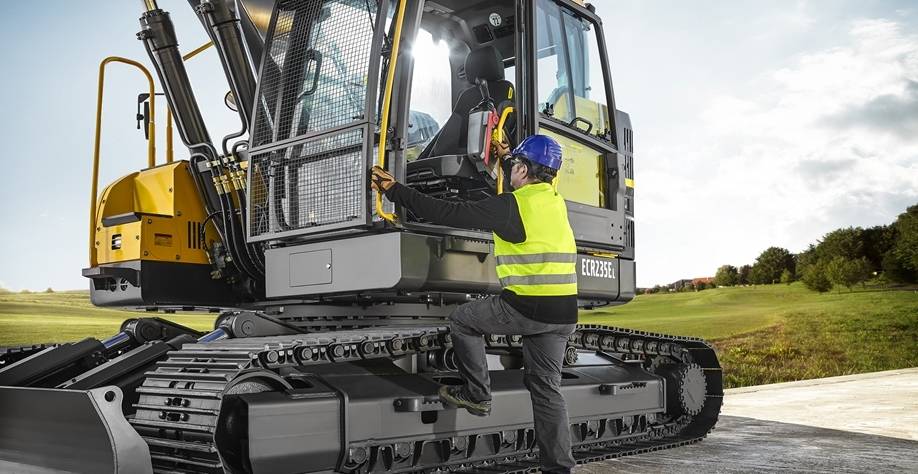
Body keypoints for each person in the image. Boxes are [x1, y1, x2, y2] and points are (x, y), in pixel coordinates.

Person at [370, 134, 578, 473]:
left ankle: (478, 395)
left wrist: (394, 190)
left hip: (526, 308)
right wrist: (507, 156)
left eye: (516, 166)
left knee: (463, 320)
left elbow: (447, 211)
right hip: (564, 314)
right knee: (547, 390)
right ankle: (559, 468)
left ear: (524, 171)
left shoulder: (510, 206)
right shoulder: (555, 201)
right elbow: (527, 178)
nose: (511, 170)